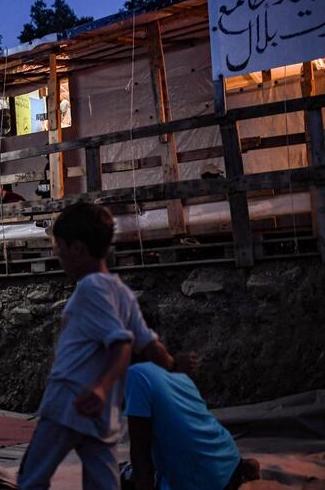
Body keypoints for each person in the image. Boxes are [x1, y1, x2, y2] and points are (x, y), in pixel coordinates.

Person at [17, 202, 184, 490]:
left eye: (59, 246)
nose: (57, 254)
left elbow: (122, 343)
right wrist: (174, 365)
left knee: (33, 477)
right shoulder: (120, 291)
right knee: (103, 482)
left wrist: (101, 386)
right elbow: (147, 344)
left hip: (69, 401)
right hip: (102, 412)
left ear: (78, 249)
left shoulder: (90, 289)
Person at [124, 362, 260, 490]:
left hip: (203, 482)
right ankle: (243, 466)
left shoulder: (136, 374)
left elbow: (140, 449)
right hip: (231, 462)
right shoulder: (180, 375)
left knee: (122, 477)